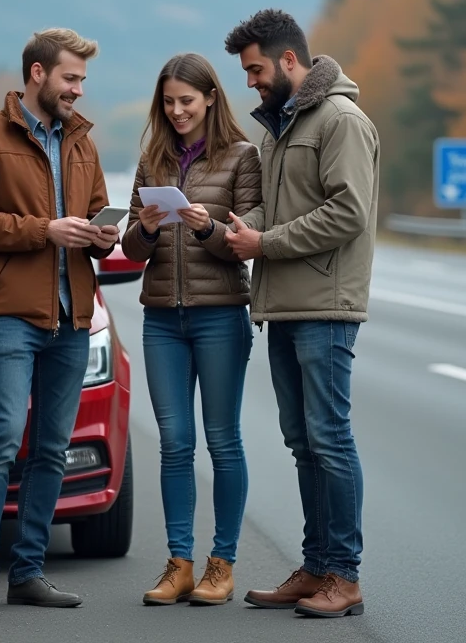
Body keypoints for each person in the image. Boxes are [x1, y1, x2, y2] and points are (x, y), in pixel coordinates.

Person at [0, 27, 119, 614]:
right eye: (70, 78)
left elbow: (93, 214)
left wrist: (102, 236)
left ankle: (28, 572)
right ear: (38, 74)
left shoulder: (82, 143)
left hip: (72, 316)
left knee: (51, 450)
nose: (78, 90)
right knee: (1, 440)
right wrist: (45, 230)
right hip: (8, 315)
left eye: (83, 80)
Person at [220, 9, 379, 619]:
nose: (251, 82)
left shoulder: (340, 120)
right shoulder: (280, 127)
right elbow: (278, 210)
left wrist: (265, 243)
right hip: (285, 304)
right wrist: (234, 228)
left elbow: (348, 212)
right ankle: (316, 567)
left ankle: (345, 576)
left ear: (290, 60)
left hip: (325, 306)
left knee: (330, 439)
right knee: (304, 443)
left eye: (256, 69)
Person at [121, 52, 262, 607]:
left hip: (220, 315)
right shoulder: (151, 160)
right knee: (175, 443)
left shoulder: (242, 157)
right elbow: (132, 249)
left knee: (222, 440)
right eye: (168, 102)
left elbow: (247, 241)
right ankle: (179, 563)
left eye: (186, 101)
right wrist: (145, 229)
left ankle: (221, 565)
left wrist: (208, 229)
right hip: (162, 318)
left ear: (209, 99)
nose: (177, 111)